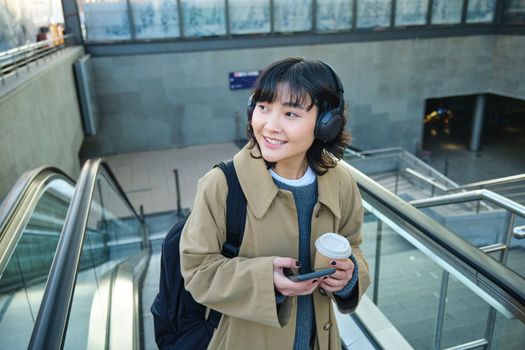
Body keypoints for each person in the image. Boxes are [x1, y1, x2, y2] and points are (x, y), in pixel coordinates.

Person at [180, 57, 370, 350]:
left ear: (326, 124)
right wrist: (263, 280)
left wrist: (350, 273)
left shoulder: (341, 182)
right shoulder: (222, 185)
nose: (270, 125)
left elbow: (353, 245)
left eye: (291, 114)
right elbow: (197, 270)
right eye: (263, 107)